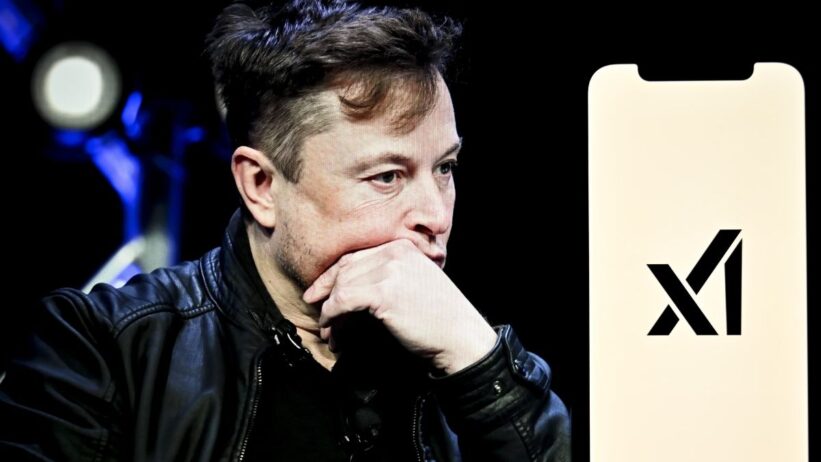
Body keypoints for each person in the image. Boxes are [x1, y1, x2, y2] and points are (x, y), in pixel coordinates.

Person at [0, 0, 571, 460]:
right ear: (261, 186)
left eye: (444, 168)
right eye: (387, 176)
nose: (436, 215)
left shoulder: (469, 359)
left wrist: (481, 366)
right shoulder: (102, 350)